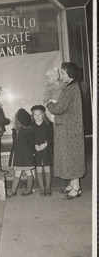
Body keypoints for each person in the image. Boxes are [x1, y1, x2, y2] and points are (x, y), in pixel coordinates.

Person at [45, 62, 86, 199]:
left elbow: (58, 109)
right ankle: (72, 184)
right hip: (70, 127)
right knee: (71, 157)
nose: (60, 76)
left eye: (63, 73)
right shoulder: (73, 86)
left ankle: (76, 188)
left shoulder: (70, 89)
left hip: (69, 129)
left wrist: (48, 103)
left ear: (70, 74)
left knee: (72, 157)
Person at [7, 108, 35, 197]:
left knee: (27, 172)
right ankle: (15, 190)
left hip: (25, 155)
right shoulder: (16, 131)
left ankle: (25, 190)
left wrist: (33, 152)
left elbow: (31, 143)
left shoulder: (26, 130)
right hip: (20, 156)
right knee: (20, 173)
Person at [31, 105, 53, 197]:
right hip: (36, 150)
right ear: (32, 116)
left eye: (39, 114)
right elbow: (30, 139)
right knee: (39, 169)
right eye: (35, 114)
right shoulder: (31, 127)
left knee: (47, 168)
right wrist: (34, 145)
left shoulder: (48, 125)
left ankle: (48, 187)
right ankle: (42, 188)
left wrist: (46, 143)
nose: (37, 116)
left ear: (43, 114)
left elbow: (52, 137)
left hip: (46, 150)